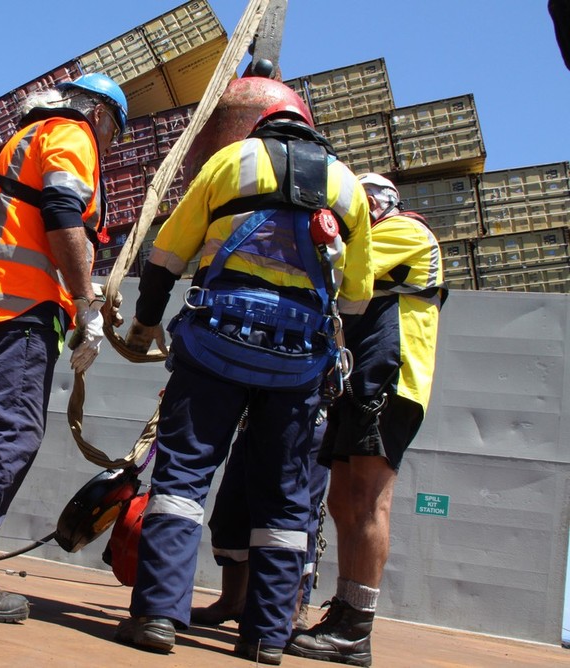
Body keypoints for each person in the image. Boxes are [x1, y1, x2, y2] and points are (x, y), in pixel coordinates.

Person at [114, 75, 372, 663]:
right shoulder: (347, 186)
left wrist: (144, 325)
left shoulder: (232, 161)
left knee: (181, 481)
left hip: (214, 347)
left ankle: (157, 616)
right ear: (310, 128)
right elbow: (355, 300)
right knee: (284, 500)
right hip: (298, 363)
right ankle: (266, 637)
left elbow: (166, 256)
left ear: (260, 126)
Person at [0, 72, 128, 624]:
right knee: (13, 435)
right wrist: (85, 302)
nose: (108, 146)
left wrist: (88, 293)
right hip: (20, 309)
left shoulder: (30, 136)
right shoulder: (73, 135)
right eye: (115, 135)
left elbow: (38, 221)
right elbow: (61, 213)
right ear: (102, 116)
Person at [286, 173, 445, 667]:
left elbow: (351, 272)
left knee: (370, 499)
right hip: (361, 382)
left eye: (361, 201)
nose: (356, 208)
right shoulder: (379, 232)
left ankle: (357, 628)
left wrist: (328, 236)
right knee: (342, 499)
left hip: (392, 379)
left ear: (382, 202)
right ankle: (344, 613)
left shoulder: (407, 232)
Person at [191, 412, 330, 632]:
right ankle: (233, 601)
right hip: (258, 417)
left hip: (309, 421)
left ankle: (291, 611)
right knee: (232, 506)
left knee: (296, 518)